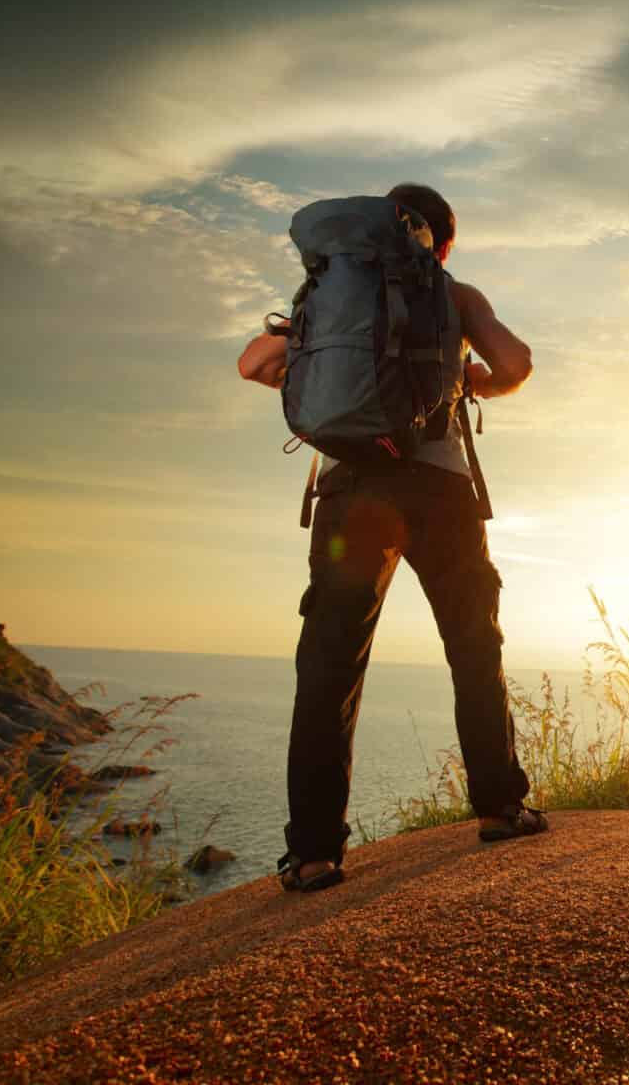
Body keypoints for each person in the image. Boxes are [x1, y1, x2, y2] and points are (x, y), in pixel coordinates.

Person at [237, 182, 545, 892]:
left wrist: (335, 390)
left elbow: (254, 364)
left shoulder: (329, 295)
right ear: (442, 243)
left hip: (352, 494)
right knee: (472, 647)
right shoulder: (454, 294)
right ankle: (500, 807)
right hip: (440, 490)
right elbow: (516, 365)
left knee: (329, 666)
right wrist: (465, 383)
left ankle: (313, 853)